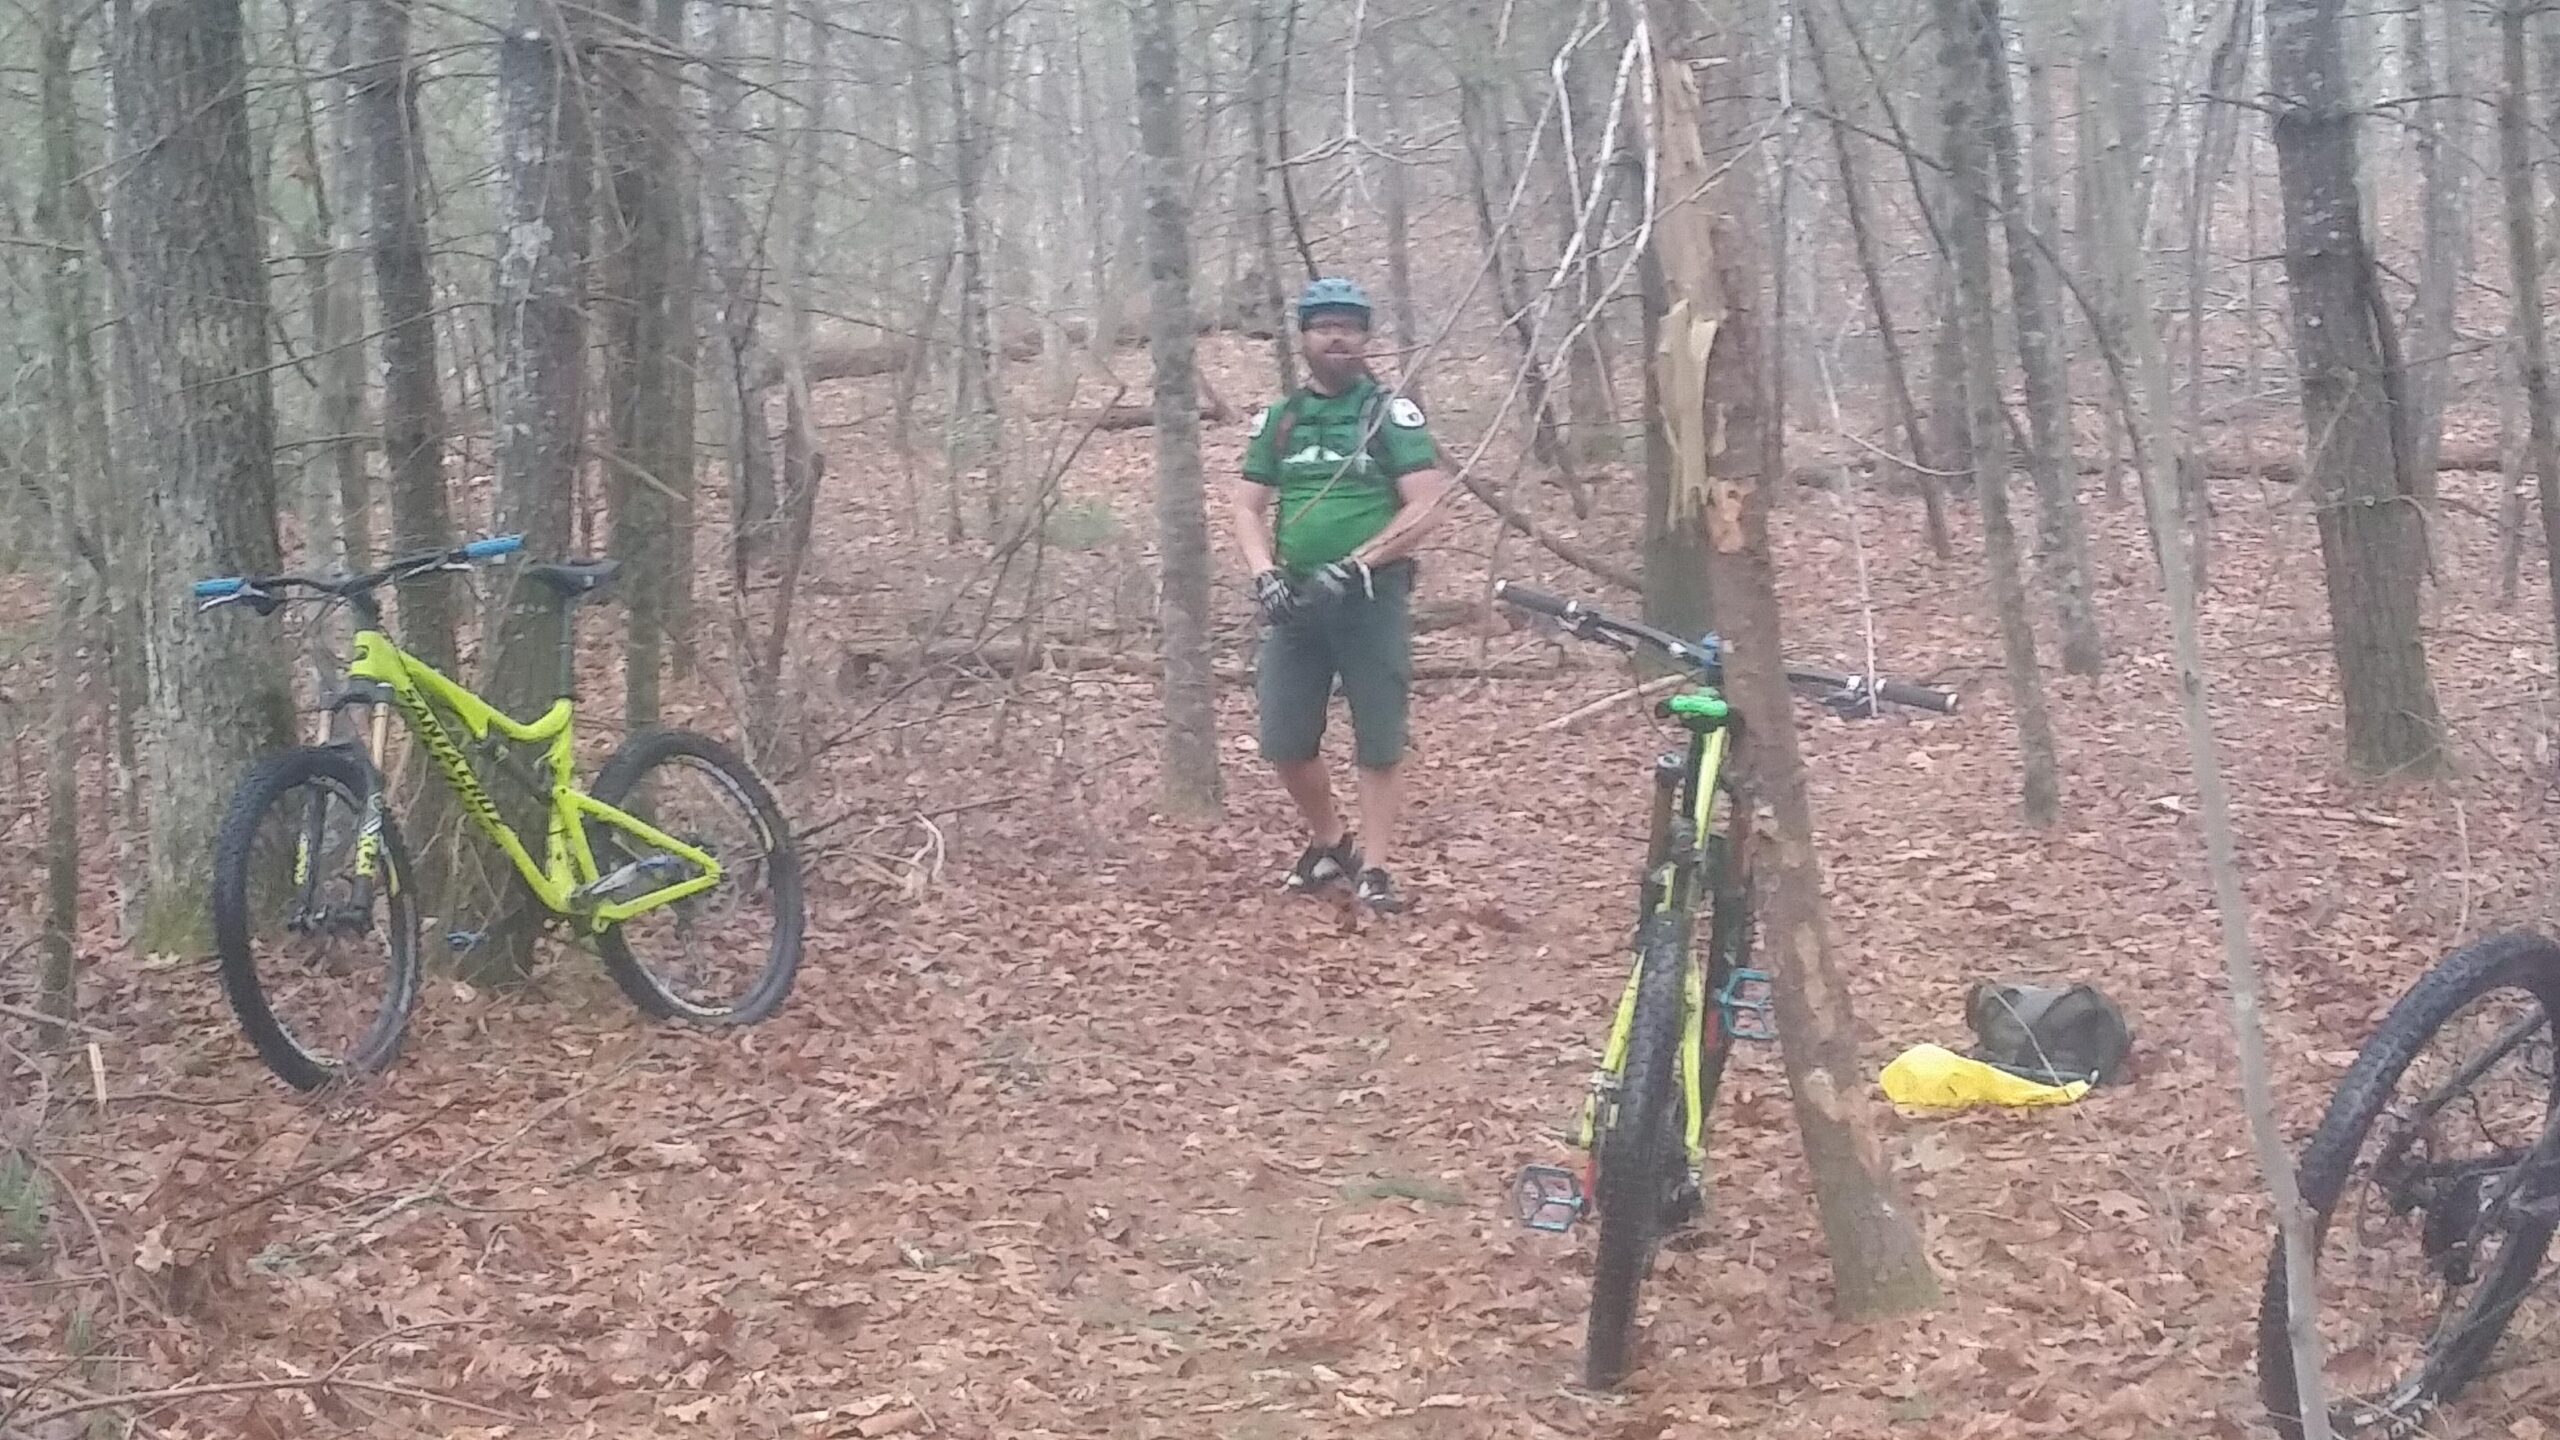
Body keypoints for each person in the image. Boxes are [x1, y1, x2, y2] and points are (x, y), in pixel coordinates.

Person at [1229, 276, 1451, 914]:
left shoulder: (1387, 413)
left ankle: (1377, 868)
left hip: (1370, 597)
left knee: (1378, 732)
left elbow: (1428, 504)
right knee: (1284, 737)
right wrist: (1263, 571)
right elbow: (1246, 506)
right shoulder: (1283, 418)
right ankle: (1331, 842)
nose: (1336, 337)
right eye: (1323, 325)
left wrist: (1357, 565)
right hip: (1296, 599)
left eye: (1349, 326)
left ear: (1365, 338)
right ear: (1303, 337)